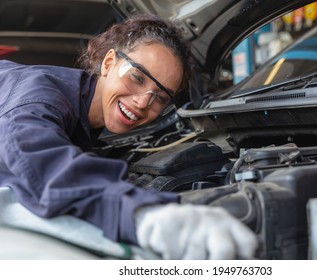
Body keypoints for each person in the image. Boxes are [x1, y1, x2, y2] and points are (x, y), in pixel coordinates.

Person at [0, 13, 257, 260]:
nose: (143, 102)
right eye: (137, 77)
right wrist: (142, 214)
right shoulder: (39, 97)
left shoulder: (82, 113)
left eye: (160, 97)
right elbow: (38, 159)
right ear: (109, 62)